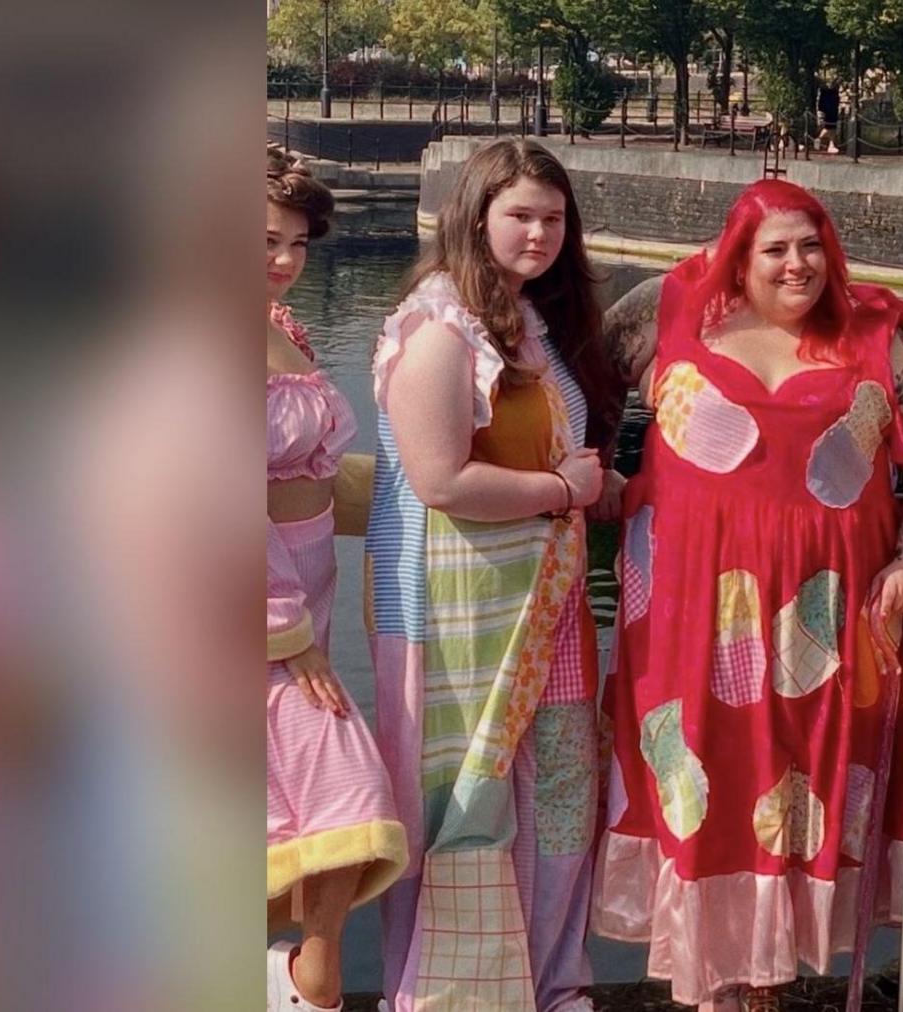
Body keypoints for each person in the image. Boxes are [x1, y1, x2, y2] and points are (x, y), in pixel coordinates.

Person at [592, 178, 903, 1010]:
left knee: (797, 785)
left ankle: (765, 986)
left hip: (824, 620)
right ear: (739, 253)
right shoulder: (670, 306)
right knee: (702, 771)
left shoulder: (874, 332)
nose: (798, 265)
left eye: (812, 248)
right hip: (687, 609)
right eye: (776, 250)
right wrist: (598, 473)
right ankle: (708, 986)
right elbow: (585, 384)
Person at [366, 139, 623, 1012]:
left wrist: (594, 488)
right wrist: (562, 489)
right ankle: (455, 994)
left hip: (545, 608)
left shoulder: (534, 326)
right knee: (462, 804)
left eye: (554, 218)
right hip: (458, 616)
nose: (540, 233)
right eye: (520, 215)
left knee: (557, 802)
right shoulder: (438, 331)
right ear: (475, 217)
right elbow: (440, 481)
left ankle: (551, 986)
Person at [265, 145, 408, 1012]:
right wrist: (284, 634)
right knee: (344, 780)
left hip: (305, 599)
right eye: (264, 240)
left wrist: (430, 497)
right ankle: (312, 975)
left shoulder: (281, 330)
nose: (283, 259)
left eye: (296, 244)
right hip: (255, 610)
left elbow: (316, 477)